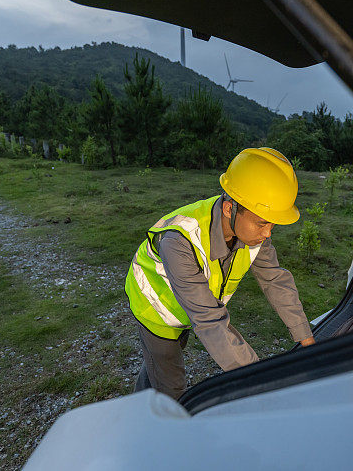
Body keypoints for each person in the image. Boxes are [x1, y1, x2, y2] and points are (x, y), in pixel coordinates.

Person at [125, 147, 315, 399]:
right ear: (229, 209)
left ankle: (137, 403)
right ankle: (151, 427)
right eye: (262, 223)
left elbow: (275, 280)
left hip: (189, 310)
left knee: (158, 371)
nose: (268, 233)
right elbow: (210, 320)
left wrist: (307, 341)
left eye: (272, 223)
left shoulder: (252, 234)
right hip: (157, 312)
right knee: (171, 390)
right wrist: (259, 379)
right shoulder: (180, 242)